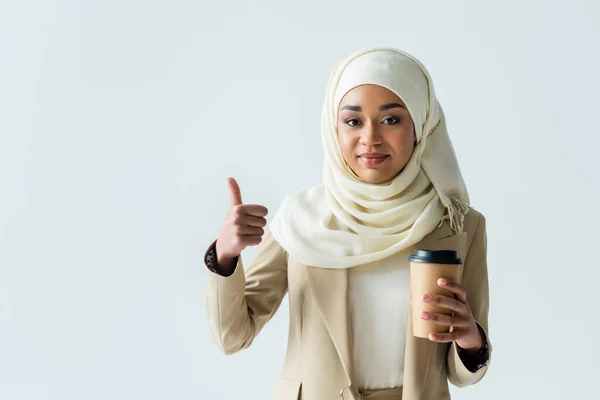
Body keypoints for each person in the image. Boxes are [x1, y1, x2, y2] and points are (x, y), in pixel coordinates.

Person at [203, 48, 492, 400]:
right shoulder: (300, 219)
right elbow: (233, 336)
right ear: (333, 128)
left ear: (421, 125)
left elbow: (464, 374)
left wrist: (470, 339)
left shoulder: (459, 226)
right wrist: (225, 255)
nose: (370, 138)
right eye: (353, 121)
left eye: (391, 120)